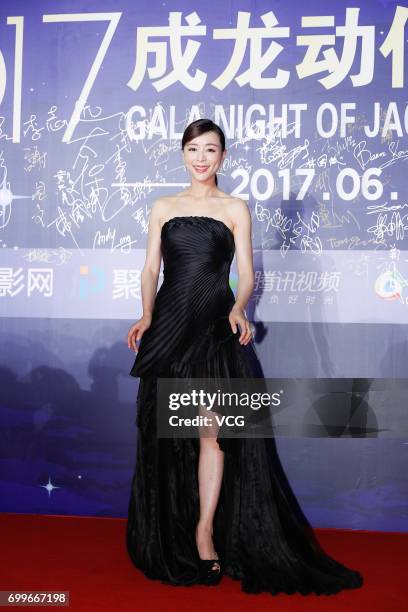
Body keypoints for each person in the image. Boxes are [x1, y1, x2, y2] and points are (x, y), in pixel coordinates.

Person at [125, 118, 364, 595]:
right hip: (170, 331)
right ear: (182, 153)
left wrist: (238, 307)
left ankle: (205, 532)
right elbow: (151, 267)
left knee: (213, 434)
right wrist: (146, 315)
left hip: (215, 330)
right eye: (193, 149)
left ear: (223, 157)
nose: (201, 158)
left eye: (210, 150)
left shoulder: (236, 207)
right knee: (172, 438)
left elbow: (249, 274)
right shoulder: (163, 207)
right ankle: (173, 528)